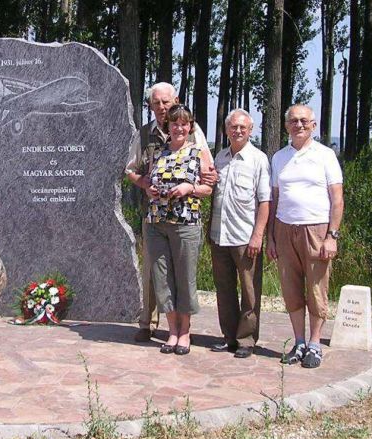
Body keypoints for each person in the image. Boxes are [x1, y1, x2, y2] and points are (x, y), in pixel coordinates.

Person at [125, 82, 214, 342]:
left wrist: (195, 185)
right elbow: (131, 170)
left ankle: (182, 331)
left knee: (183, 274)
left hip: (185, 218)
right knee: (155, 273)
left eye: (166, 102)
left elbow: (209, 174)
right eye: (156, 103)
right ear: (150, 106)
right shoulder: (144, 135)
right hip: (155, 215)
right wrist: (145, 184)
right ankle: (148, 322)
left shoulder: (194, 133)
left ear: (176, 101)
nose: (162, 107)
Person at [267, 104, 344, 369]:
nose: (298, 125)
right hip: (285, 228)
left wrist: (332, 236)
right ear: (286, 126)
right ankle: (299, 342)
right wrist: (271, 237)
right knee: (291, 290)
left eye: (303, 121)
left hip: (316, 230)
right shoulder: (279, 158)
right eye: (293, 121)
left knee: (316, 289)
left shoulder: (325, 155)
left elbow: (337, 199)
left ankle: (315, 344)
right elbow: (274, 199)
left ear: (313, 125)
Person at [144, 104, 212, 355]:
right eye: (174, 124)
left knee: (185, 278)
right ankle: (172, 332)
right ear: (168, 127)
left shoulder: (198, 152)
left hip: (185, 224)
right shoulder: (158, 152)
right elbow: (148, 181)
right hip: (156, 222)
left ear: (190, 127)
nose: (179, 128)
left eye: (184, 124)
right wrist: (150, 190)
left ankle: (185, 332)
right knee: (162, 279)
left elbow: (208, 188)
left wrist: (189, 188)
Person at [209, 109, 271, 358]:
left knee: (249, 291)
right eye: (233, 127)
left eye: (242, 127)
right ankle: (229, 337)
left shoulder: (258, 159)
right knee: (224, 289)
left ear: (250, 130)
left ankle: (246, 340)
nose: (237, 131)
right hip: (219, 235)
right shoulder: (220, 158)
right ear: (226, 130)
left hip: (245, 237)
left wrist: (258, 236)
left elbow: (265, 201)